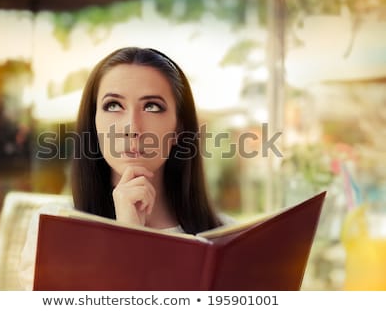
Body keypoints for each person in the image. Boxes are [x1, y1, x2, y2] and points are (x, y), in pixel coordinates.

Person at [18, 47, 233, 289]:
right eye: (113, 105)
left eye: (152, 106)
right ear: (94, 124)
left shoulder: (227, 239)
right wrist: (127, 236)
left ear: (178, 129)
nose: (132, 127)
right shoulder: (55, 228)